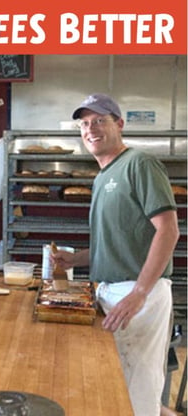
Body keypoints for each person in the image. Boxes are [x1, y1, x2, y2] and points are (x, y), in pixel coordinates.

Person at [52, 93, 180, 416]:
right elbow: (117, 241)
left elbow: (168, 230)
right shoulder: (102, 176)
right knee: (115, 381)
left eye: (100, 121)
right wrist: (75, 260)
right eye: (84, 123)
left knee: (138, 386)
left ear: (119, 124)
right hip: (110, 291)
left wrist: (139, 292)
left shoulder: (139, 163)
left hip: (139, 293)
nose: (90, 129)